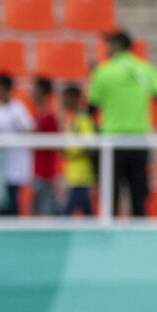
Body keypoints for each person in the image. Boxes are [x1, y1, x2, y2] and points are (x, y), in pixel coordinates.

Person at [87, 30, 157, 219]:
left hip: (112, 143)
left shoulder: (103, 72)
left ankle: (110, 242)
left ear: (117, 46)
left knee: (111, 196)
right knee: (138, 196)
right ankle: (139, 243)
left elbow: (90, 110)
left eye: (108, 45)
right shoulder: (146, 69)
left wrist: (88, 136)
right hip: (138, 142)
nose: (106, 49)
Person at [0, 73, 34, 217]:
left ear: (4, 88)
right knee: (1, 201)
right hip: (1, 163)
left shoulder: (17, 109)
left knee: (12, 202)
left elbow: (30, 130)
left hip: (15, 164)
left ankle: (12, 234)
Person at [61, 84, 96, 218]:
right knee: (86, 212)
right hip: (72, 175)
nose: (63, 102)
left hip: (82, 176)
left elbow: (91, 148)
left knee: (67, 213)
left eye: (65, 98)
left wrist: (72, 155)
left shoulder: (83, 120)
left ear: (74, 99)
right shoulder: (71, 119)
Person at [30, 77, 60, 216]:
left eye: (34, 89)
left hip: (46, 175)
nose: (31, 92)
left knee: (44, 215)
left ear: (42, 92)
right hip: (38, 174)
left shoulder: (50, 119)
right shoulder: (38, 116)